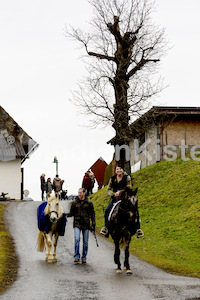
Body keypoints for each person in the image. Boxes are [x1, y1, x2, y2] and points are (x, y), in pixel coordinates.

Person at [100, 165, 144, 238]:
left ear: (123, 170)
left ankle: (138, 229)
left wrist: (120, 192)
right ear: (115, 171)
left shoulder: (127, 178)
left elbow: (129, 187)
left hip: (125, 199)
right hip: (115, 199)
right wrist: (113, 194)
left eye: (120, 169)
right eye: (117, 169)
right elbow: (108, 189)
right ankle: (106, 228)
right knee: (107, 210)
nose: (119, 170)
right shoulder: (112, 179)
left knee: (135, 210)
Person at [66, 188, 96, 264]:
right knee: (77, 239)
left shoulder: (89, 203)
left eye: (80, 193)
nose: (79, 194)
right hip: (77, 224)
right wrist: (64, 215)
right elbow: (71, 213)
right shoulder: (75, 203)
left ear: (84, 193)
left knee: (85, 242)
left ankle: (84, 257)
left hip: (86, 224)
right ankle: (76, 256)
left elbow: (92, 214)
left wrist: (93, 224)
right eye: (78, 193)